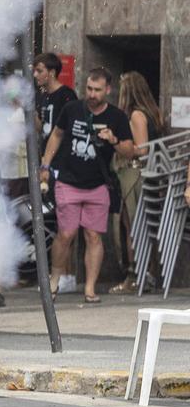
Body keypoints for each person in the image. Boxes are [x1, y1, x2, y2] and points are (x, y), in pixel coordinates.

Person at [40, 67, 136, 304]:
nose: (92, 94)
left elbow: (129, 150)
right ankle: (54, 280)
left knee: (94, 236)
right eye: (89, 89)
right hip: (68, 180)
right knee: (66, 233)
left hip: (98, 184)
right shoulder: (73, 108)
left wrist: (113, 140)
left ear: (108, 90)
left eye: (97, 90)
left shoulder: (117, 117)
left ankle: (90, 288)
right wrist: (45, 164)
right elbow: (57, 134)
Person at [109, 71, 165, 294]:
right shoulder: (153, 113)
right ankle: (145, 274)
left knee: (132, 227)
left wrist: (117, 144)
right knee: (142, 227)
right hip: (149, 175)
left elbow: (141, 149)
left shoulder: (136, 116)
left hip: (135, 175)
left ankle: (135, 275)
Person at [33, 52, 78, 150]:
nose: (35, 75)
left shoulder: (66, 95)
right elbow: (41, 128)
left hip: (61, 155)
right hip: (45, 153)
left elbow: (71, 129)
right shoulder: (42, 95)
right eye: (35, 71)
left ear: (52, 73)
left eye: (39, 71)